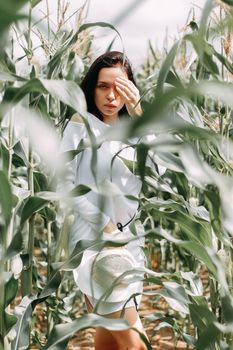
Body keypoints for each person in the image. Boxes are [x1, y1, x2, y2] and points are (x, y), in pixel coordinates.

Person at [60, 51, 148, 350]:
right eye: (102, 86)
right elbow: (66, 184)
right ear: (91, 87)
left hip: (130, 247)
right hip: (97, 248)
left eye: (120, 87)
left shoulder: (134, 133)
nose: (111, 96)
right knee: (135, 344)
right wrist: (107, 227)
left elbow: (162, 172)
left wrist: (141, 115)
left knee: (109, 340)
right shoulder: (79, 124)